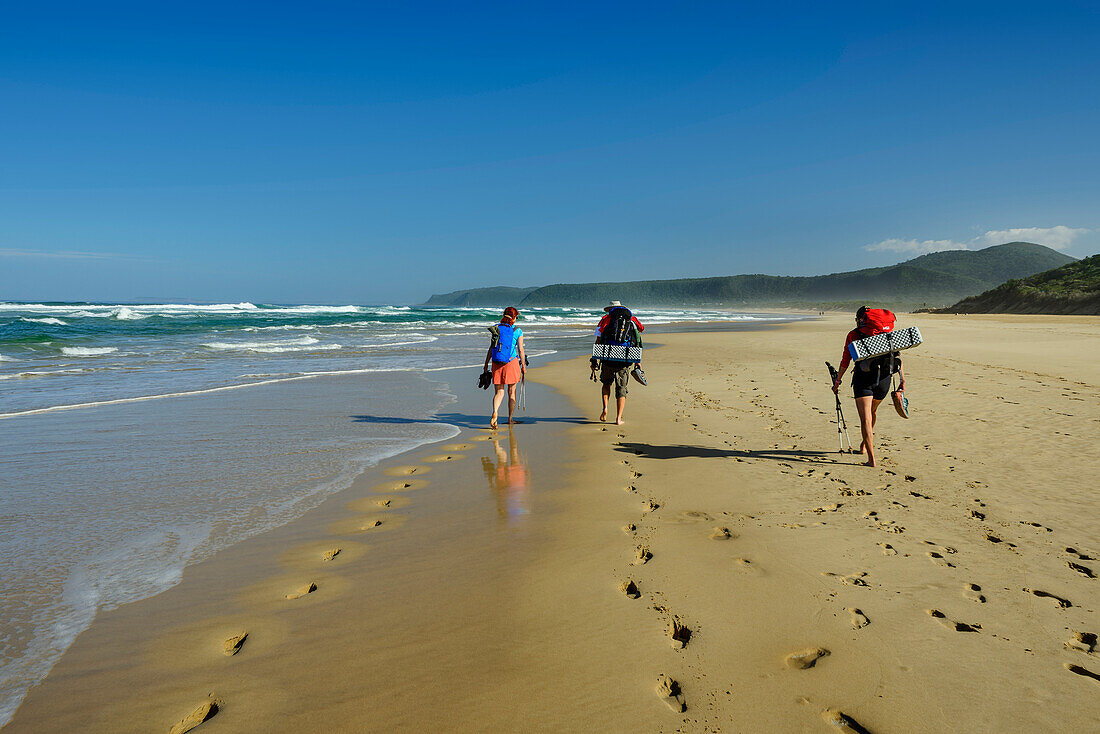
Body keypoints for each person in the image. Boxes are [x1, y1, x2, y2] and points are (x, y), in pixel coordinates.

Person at [831, 306, 906, 467]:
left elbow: (846, 360)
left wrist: (838, 381)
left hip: (863, 379)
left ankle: (871, 458)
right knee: (872, 412)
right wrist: (902, 380)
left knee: (865, 418)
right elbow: (897, 356)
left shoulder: (853, 335)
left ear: (860, 319)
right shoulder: (888, 335)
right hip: (884, 380)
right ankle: (864, 444)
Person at [590, 300, 644, 425]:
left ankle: (605, 408)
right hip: (624, 360)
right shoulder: (632, 320)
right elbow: (638, 337)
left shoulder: (604, 320)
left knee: (606, 384)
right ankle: (618, 418)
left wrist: (594, 359)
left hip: (607, 358)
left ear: (610, 310)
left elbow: (598, 340)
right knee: (621, 389)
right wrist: (638, 362)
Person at [484, 306, 526, 429]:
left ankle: (495, 412)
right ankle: (510, 419)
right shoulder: (517, 330)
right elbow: (521, 350)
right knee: (511, 392)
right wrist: (523, 365)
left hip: (496, 362)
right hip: (511, 362)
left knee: (499, 392)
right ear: (514, 317)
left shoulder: (496, 328)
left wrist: (486, 364)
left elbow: (491, 348)